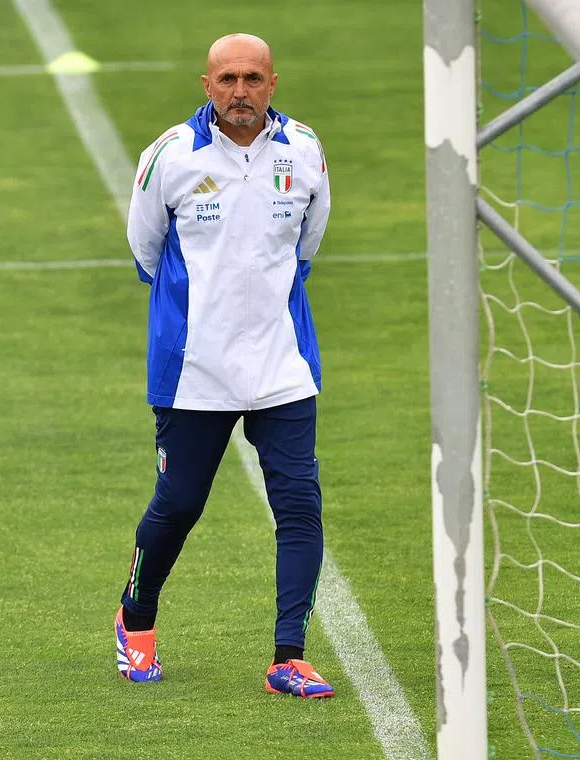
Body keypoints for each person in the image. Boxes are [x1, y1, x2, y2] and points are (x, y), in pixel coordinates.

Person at [115, 32, 333, 698]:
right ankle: (136, 622)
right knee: (178, 505)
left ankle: (288, 655)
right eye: (228, 79)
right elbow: (144, 252)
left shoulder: (306, 152)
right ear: (206, 86)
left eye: (253, 78)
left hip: (282, 366)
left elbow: (306, 246)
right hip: (193, 371)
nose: (241, 91)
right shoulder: (171, 157)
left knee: (299, 506)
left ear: (274, 83)